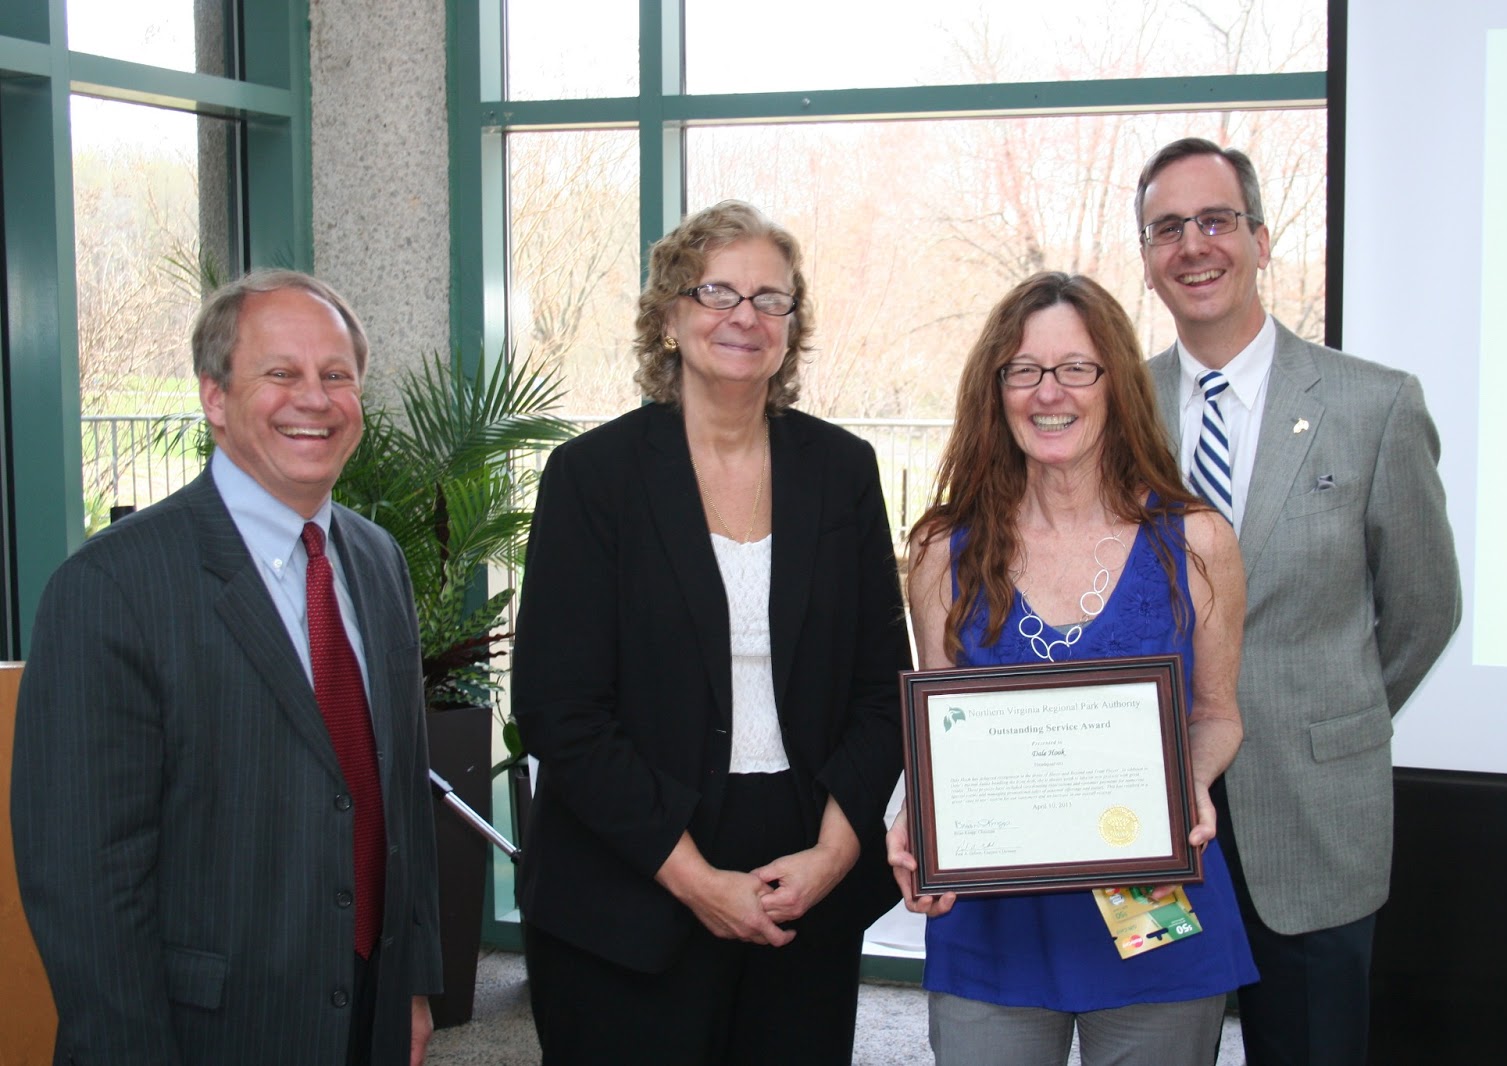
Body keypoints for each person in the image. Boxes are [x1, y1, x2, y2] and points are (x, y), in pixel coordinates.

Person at [510, 199, 911, 1064]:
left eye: (770, 299)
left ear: (792, 327)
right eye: (717, 292)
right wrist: (694, 880)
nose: (744, 316)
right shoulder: (592, 477)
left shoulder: (843, 471)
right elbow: (558, 709)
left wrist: (834, 854)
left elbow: (884, 691)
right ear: (668, 316)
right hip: (630, 873)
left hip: (805, 869)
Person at [11, 270, 442, 1065]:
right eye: (280, 372)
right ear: (214, 396)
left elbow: (400, 796)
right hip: (205, 1032)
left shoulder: (377, 560)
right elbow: (84, 879)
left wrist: (411, 984)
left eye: (336, 375)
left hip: (369, 1013)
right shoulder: (110, 587)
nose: (314, 399)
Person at [1134, 137, 1462, 1065]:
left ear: (1262, 239)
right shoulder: (1117, 409)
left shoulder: (1374, 405)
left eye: (1216, 220)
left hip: (1316, 810)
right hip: (1151, 813)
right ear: (1148, 258)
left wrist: (1335, 712)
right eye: (1168, 228)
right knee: (1154, 1046)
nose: (1193, 246)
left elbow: (1424, 608)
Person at [888, 271, 1257, 1066]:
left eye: (1076, 368)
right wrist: (917, 815)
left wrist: (1188, 781)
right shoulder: (941, 552)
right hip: (993, 919)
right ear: (995, 389)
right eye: (1023, 369)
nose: (1048, 392)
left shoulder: (1197, 542)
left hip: (1154, 907)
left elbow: (1219, 714)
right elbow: (941, 736)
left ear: (1116, 383)